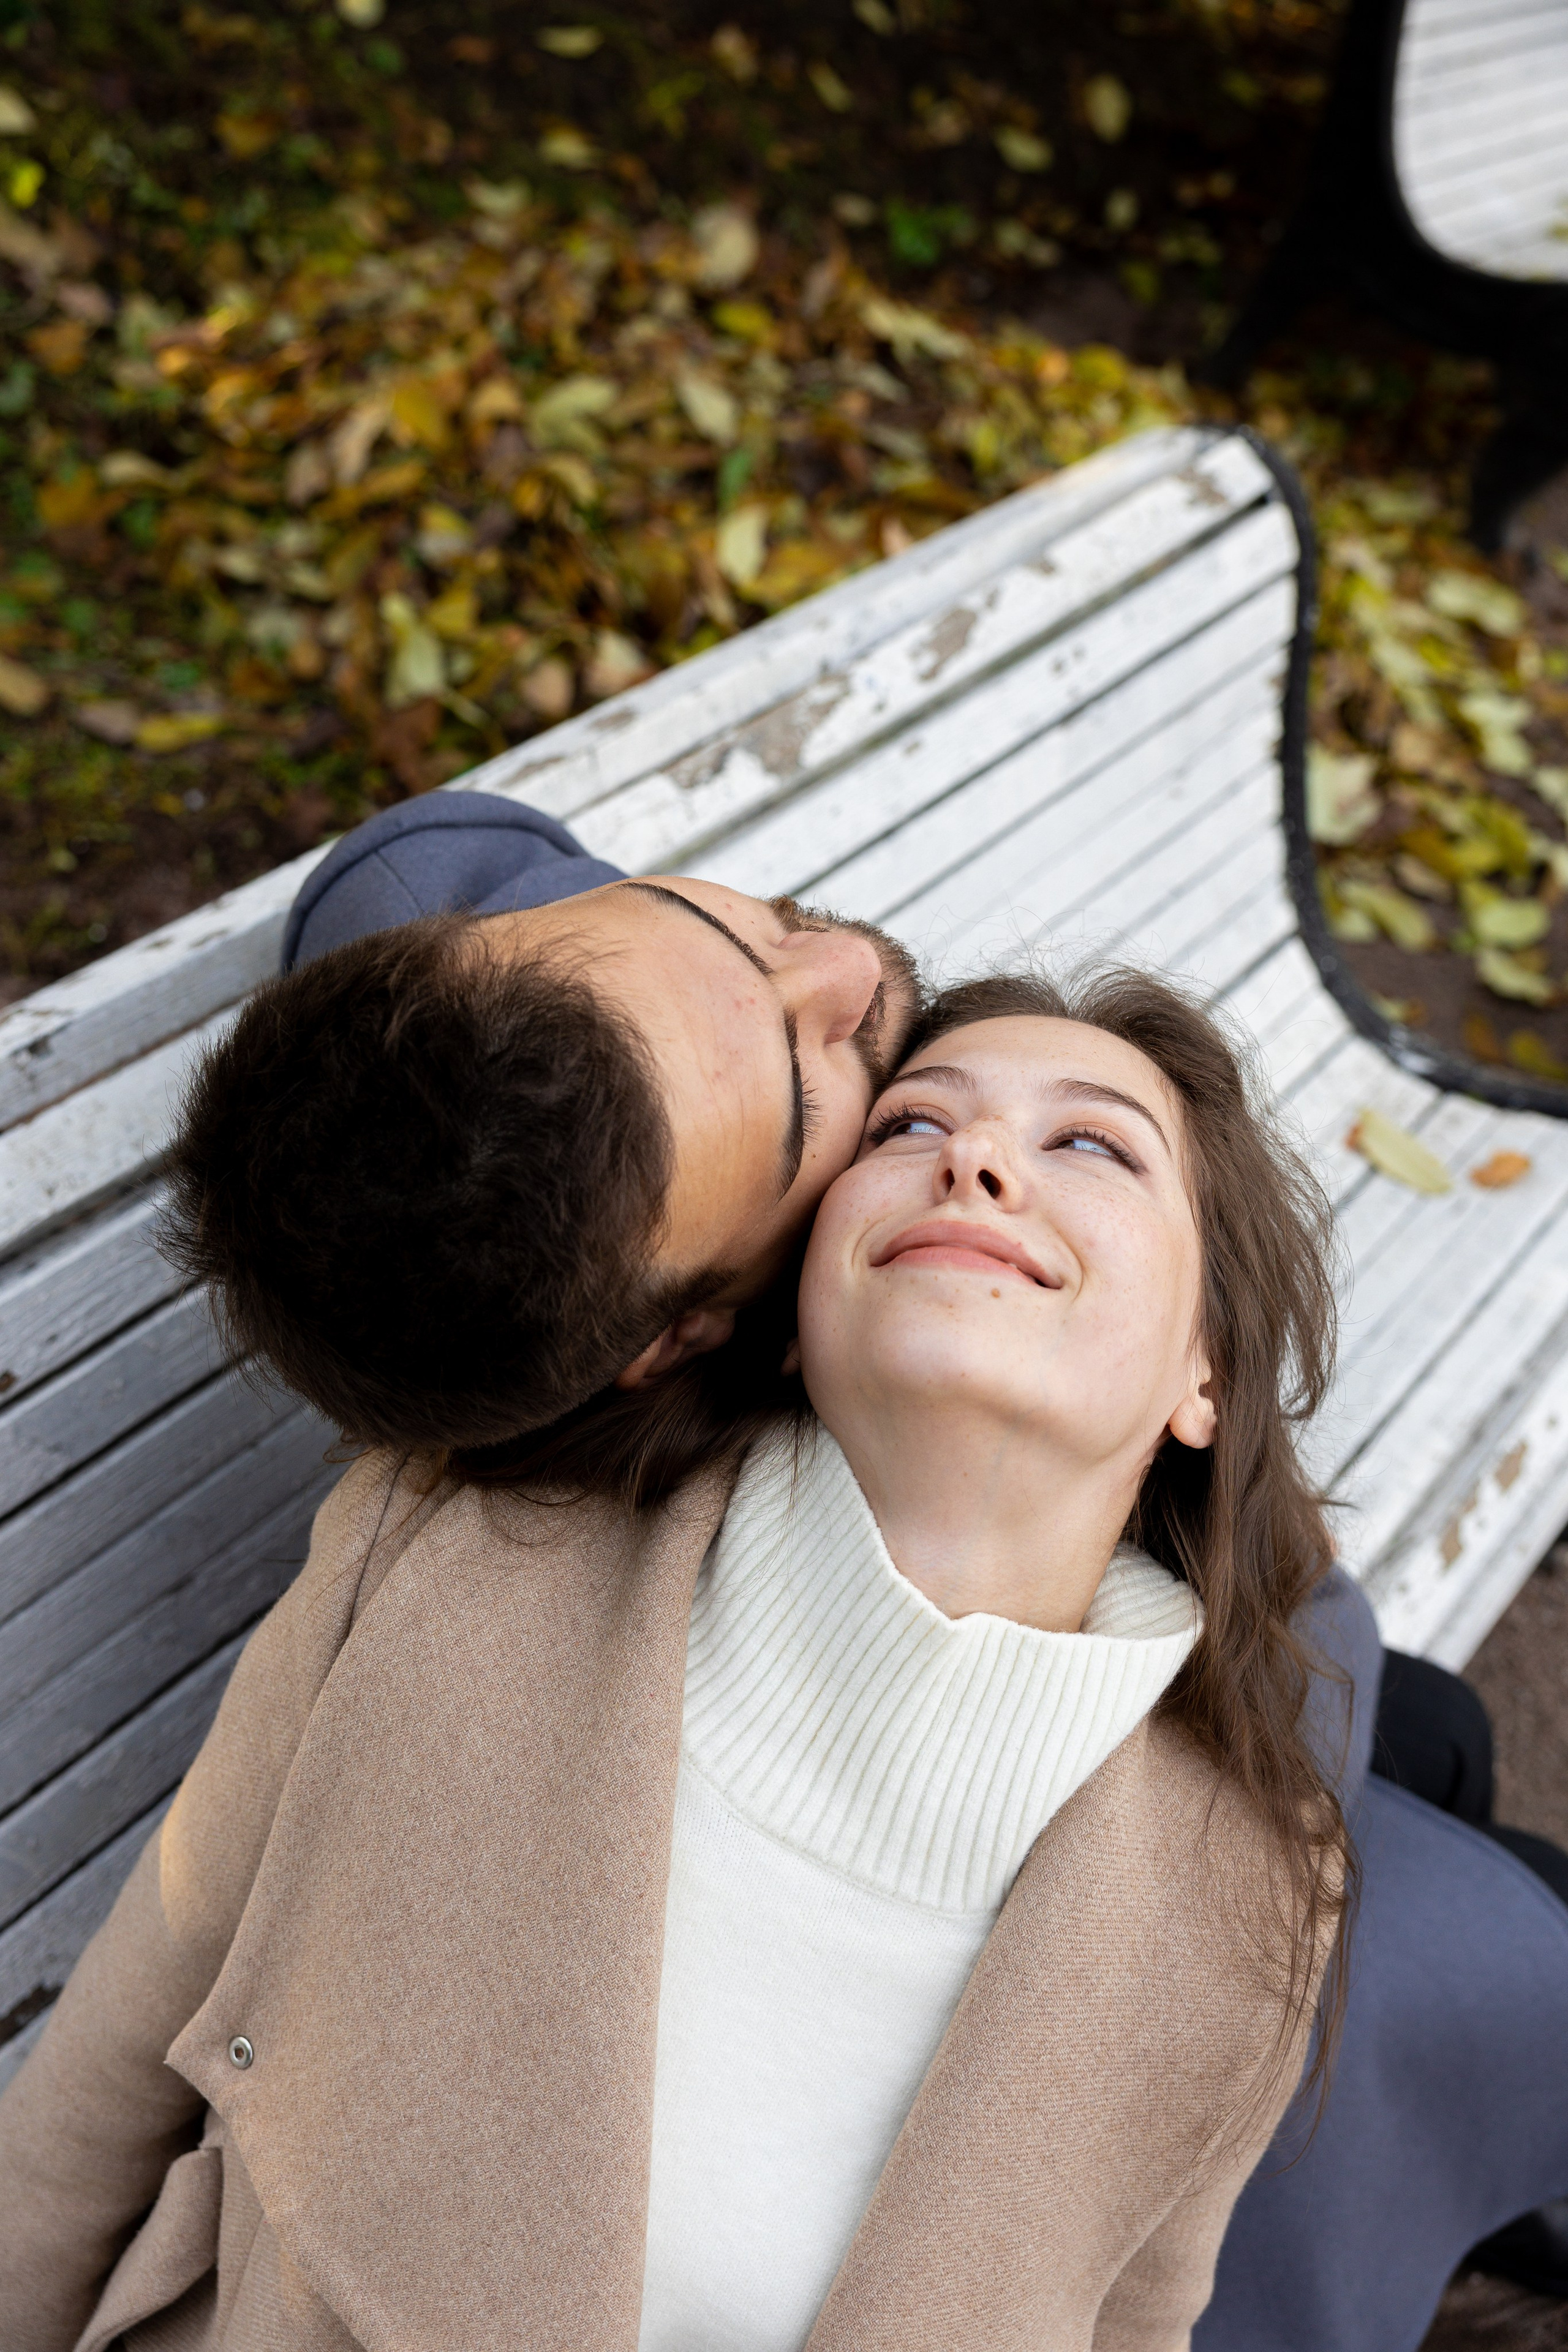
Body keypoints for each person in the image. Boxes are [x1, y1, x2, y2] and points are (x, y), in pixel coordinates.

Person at [0, 963, 1357, 2350]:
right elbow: (99, 2087)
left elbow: (1129, 2326)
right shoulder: (441, 1548)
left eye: (1090, 1142)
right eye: (905, 1127)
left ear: (1204, 1370)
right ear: (793, 1317)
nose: (975, 1157)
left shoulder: (1252, 1897)